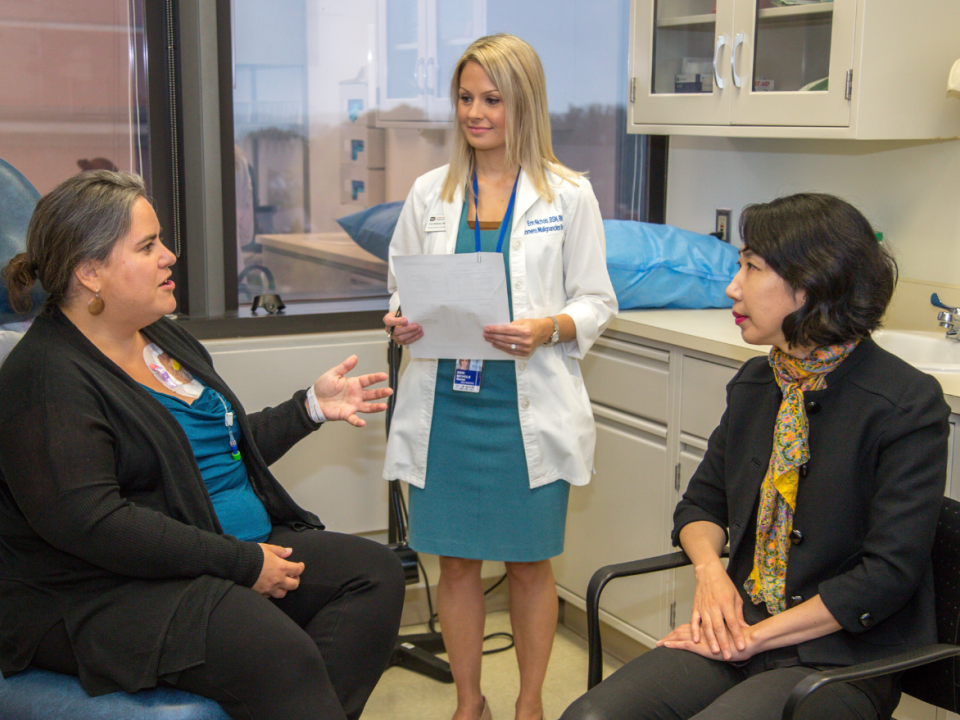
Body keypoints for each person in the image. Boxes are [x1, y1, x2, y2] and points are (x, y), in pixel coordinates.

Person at [0, 170, 406, 720]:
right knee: (274, 652)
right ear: (90, 272)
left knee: (372, 574)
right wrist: (239, 563)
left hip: (204, 547)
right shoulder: (46, 379)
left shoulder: (161, 336)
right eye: (148, 246)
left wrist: (309, 407)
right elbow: (95, 525)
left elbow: (216, 448)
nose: (169, 256)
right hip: (97, 591)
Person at [560, 193, 951, 720]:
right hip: (741, 631)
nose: (732, 285)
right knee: (590, 717)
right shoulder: (757, 383)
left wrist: (753, 637)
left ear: (811, 285)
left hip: (842, 657)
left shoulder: (905, 404)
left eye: (751, 267)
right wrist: (711, 576)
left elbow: (885, 575)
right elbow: (699, 506)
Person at [382, 34, 617, 720]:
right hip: (448, 408)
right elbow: (402, 284)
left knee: (528, 562)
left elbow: (597, 300)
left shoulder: (568, 194)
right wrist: (401, 319)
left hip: (526, 409)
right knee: (455, 562)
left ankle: (531, 704)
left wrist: (547, 328)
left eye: (491, 99)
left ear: (524, 103)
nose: (474, 113)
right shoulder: (430, 194)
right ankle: (468, 701)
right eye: (465, 98)